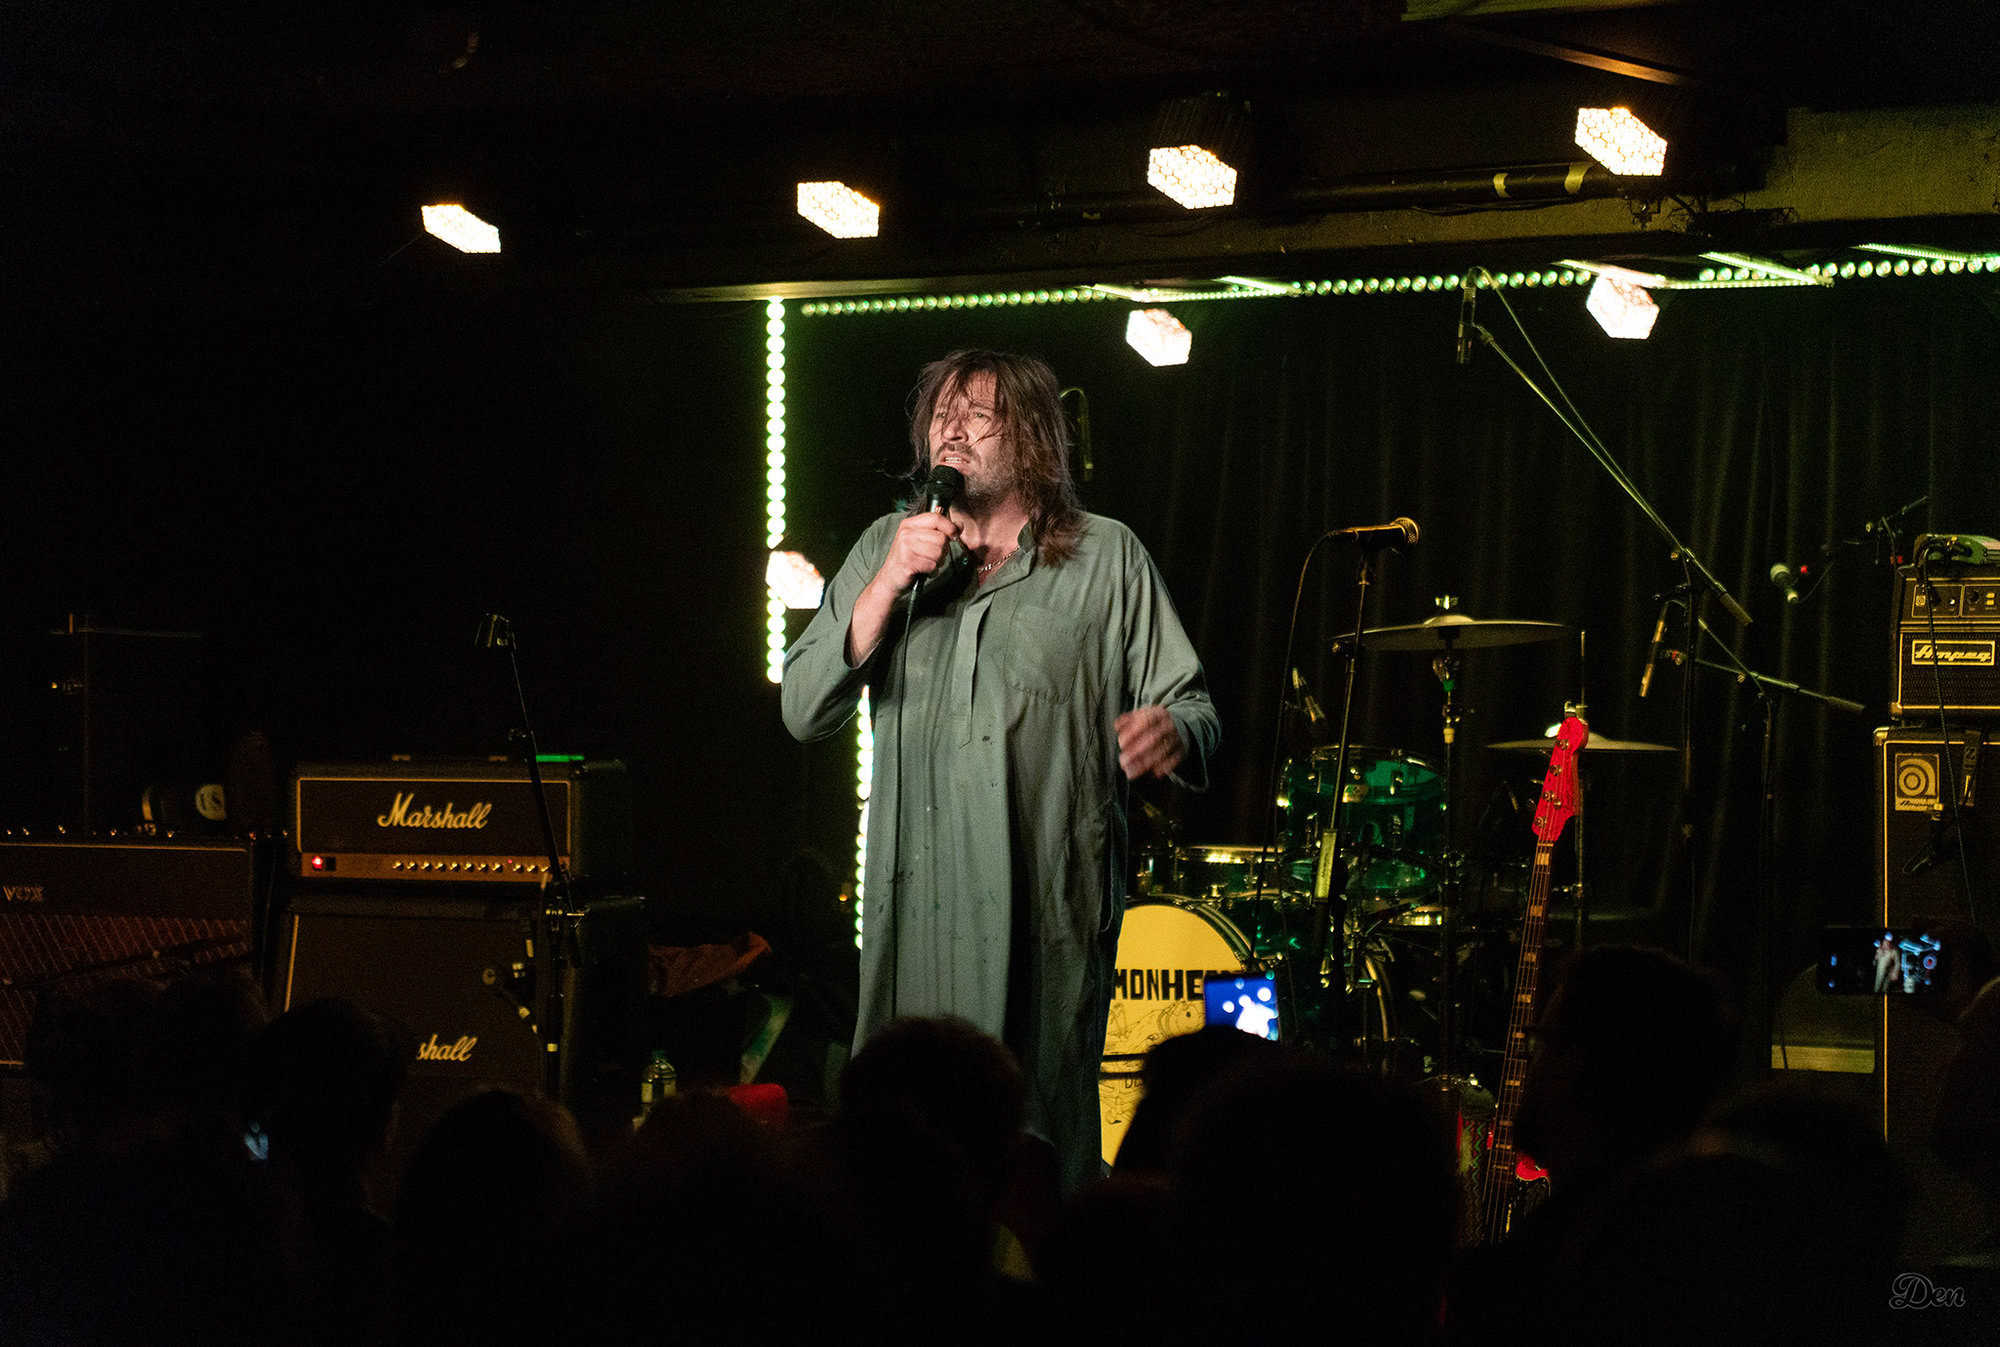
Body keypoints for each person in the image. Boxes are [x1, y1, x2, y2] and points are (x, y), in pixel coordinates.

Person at [782, 348, 1218, 1192]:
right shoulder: (888, 548)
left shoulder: (1107, 558)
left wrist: (1173, 731)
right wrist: (887, 582)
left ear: (1033, 436)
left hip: (1044, 936)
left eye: (977, 415)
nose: (952, 430)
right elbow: (803, 707)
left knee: (1036, 1168)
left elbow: (1195, 707)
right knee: (903, 1171)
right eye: (940, 416)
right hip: (915, 931)